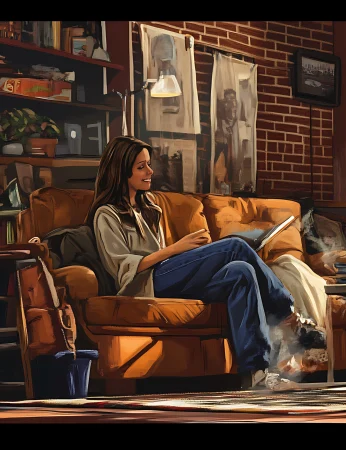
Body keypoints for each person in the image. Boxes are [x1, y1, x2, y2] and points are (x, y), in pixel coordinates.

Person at [86, 136, 326, 390]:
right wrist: (178, 248)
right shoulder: (106, 215)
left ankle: (257, 374)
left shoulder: (149, 209)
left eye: (148, 164)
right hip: (143, 284)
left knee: (242, 271)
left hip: (166, 276)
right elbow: (122, 268)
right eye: (141, 167)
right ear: (122, 171)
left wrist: (182, 256)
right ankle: (290, 318)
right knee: (235, 246)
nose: (150, 171)